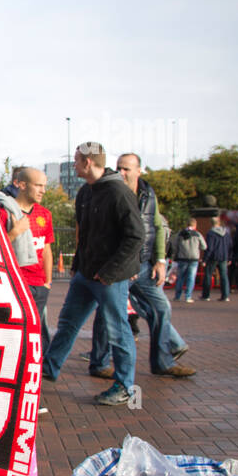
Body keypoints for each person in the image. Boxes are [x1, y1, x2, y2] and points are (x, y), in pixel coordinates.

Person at [42, 143, 144, 405]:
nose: (74, 165)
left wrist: (110, 271)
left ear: (88, 163)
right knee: (68, 322)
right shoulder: (86, 192)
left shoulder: (119, 192)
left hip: (108, 277)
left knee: (118, 330)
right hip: (86, 274)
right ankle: (48, 369)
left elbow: (135, 236)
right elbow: (84, 234)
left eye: (76, 161)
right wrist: (78, 264)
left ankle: (125, 387)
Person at [87, 153, 194, 379]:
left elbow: (156, 227)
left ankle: (163, 362)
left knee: (161, 308)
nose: (121, 172)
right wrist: (122, 264)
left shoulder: (148, 194)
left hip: (144, 266)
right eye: (118, 168)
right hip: (117, 265)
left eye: (126, 168)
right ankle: (99, 363)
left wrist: (161, 261)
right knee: (108, 311)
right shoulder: (111, 192)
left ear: (138, 171)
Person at [0, 167, 54, 348]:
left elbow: (46, 249)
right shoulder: (3, 211)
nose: (43, 190)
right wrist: (14, 232)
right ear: (21, 185)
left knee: (36, 335)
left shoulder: (45, 214)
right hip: (15, 282)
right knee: (12, 333)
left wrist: (48, 282)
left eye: (44, 185)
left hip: (39, 285)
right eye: (38, 185)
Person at [171, 221, 206, 303]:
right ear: (195, 225)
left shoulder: (180, 234)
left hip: (182, 258)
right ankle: (188, 296)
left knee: (180, 277)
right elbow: (204, 246)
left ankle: (177, 296)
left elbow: (174, 245)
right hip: (194, 258)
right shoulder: (197, 234)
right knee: (191, 278)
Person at [200, 214, 233, 301]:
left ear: (211, 223)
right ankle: (225, 295)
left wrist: (205, 259)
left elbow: (210, 247)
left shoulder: (211, 233)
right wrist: (230, 257)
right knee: (224, 276)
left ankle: (206, 295)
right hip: (224, 257)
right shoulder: (226, 233)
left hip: (213, 257)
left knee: (208, 275)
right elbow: (230, 246)